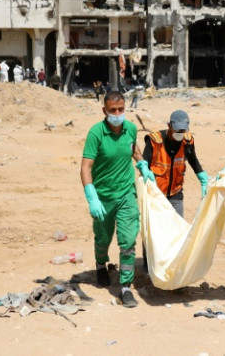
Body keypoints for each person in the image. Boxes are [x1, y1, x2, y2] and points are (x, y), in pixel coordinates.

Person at [80, 91, 143, 308]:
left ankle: (125, 287)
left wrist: (142, 164)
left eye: (121, 109)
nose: (118, 114)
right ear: (104, 111)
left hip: (126, 193)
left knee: (128, 241)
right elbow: (86, 167)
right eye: (113, 110)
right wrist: (92, 197)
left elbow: (133, 147)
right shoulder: (96, 133)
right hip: (103, 197)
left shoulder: (131, 128)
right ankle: (100, 265)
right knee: (103, 238)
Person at [138, 110, 208, 219]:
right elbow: (144, 164)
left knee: (177, 231)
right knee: (158, 232)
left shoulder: (187, 141)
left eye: (183, 130)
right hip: (155, 196)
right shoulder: (154, 141)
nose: (180, 133)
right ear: (169, 125)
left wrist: (202, 176)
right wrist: (144, 171)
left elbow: (193, 160)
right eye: (177, 130)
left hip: (176, 195)